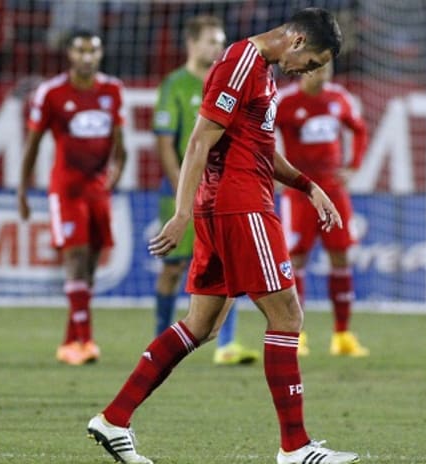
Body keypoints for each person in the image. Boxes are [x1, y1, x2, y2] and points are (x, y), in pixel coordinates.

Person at [86, 8, 360, 464]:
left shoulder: (263, 73)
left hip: (234, 205)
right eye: (312, 62)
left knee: (202, 325)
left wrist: (309, 187)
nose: (309, 73)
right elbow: (198, 141)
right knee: (288, 317)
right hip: (240, 206)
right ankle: (295, 447)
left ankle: (114, 419)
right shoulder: (240, 63)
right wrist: (180, 214)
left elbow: (262, 150)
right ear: (295, 42)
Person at [152, 14, 259, 366]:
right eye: (211, 41)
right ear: (191, 43)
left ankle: (226, 344)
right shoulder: (176, 84)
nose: (217, 48)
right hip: (181, 193)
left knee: (229, 270)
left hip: (219, 195)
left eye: (220, 41)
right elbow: (166, 142)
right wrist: (180, 186)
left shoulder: (228, 80)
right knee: (172, 268)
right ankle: (159, 340)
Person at [17, 30, 126, 366]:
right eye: (81, 50)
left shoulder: (112, 90)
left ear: (101, 53)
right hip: (66, 190)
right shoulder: (51, 92)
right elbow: (32, 145)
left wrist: (116, 174)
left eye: (93, 50)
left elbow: (121, 150)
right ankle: (87, 340)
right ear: (69, 54)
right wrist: (22, 190)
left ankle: (69, 343)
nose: (87, 56)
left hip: (97, 191)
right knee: (75, 257)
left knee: (90, 267)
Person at [275, 60, 369, 357]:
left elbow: (359, 130)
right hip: (299, 192)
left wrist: (353, 166)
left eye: (327, 68)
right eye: (316, 67)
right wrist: (273, 172)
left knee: (341, 256)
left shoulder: (339, 98)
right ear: (303, 70)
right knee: (296, 258)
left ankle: (342, 334)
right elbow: (260, 134)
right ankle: (296, 335)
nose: (322, 74)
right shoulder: (286, 101)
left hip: (333, 190)